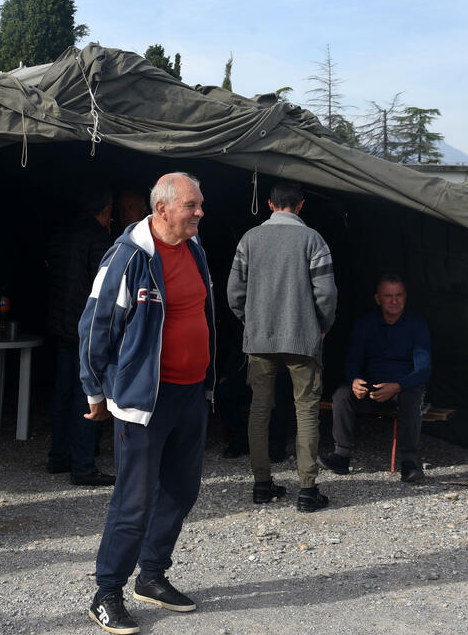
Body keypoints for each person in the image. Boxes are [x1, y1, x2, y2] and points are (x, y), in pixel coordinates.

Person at [80, 172, 215, 634]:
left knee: (181, 490)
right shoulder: (128, 257)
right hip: (144, 401)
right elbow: (96, 326)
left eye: (199, 205)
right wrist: (96, 391)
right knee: (133, 501)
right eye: (192, 205)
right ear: (162, 209)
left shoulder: (195, 250)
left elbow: (203, 316)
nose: (200, 212)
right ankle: (106, 592)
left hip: (190, 394)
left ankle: (152, 576)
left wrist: (207, 386)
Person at [226, 181, 337, 513]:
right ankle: (307, 490)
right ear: (300, 206)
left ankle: (262, 485)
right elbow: (327, 294)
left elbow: (234, 293)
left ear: (270, 206)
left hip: (259, 339)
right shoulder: (313, 239)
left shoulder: (249, 239)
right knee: (305, 409)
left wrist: (250, 322)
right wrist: (321, 327)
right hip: (303, 338)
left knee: (259, 409)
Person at [318, 274, 432, 482]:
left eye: (399, 295)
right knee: (342, 394)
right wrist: (354, 380)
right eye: (388, 296)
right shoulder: (366, 324)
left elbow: (424, 369)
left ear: (406, 297)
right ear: (378, 299)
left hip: (402, 386)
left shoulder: (417, 325)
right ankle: (341, 455)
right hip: (373, 386)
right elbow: (353, 361)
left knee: (412, 396)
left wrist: (397, 386)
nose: (394, 300)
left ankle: (410, 462)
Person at [46, 187, 116, 486]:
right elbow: (105, 288)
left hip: (60, 324)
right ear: (104, 211)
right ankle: (84, 466)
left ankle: (58, 457)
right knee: (88, 396)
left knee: (63, 394)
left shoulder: (60, 234)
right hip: (85, 329)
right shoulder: (99, 239)